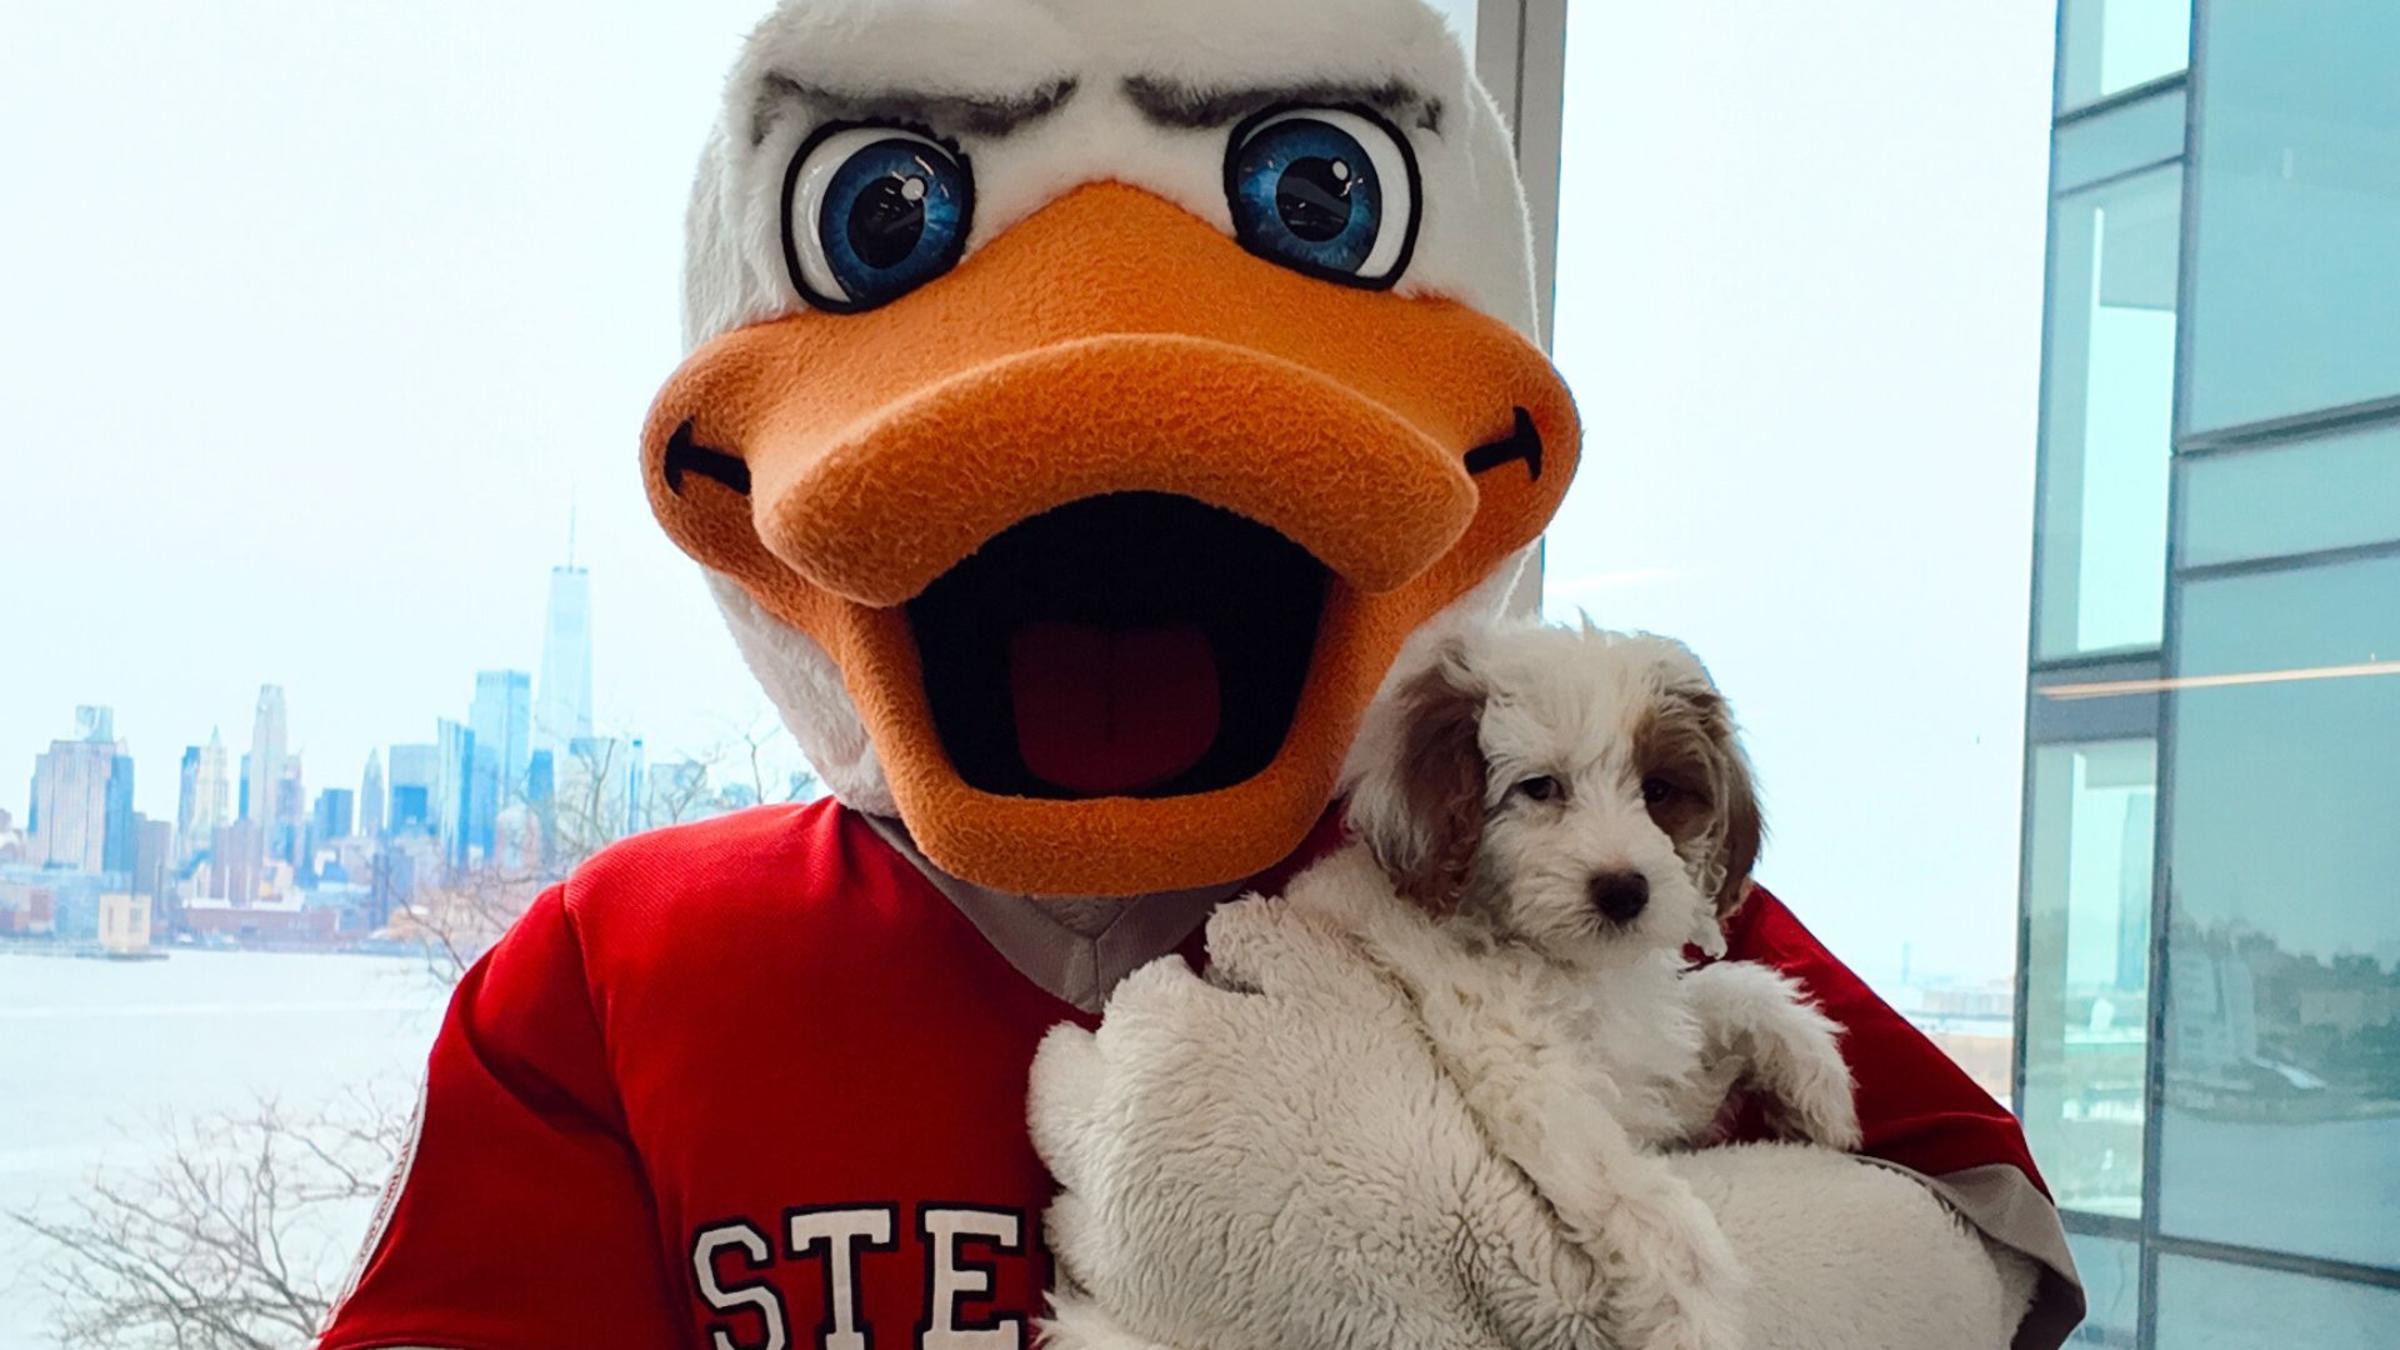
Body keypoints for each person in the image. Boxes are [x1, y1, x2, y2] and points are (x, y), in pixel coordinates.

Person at [317, 2, 2082, 1347]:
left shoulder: (1558, 877)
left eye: (1320, 198)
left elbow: (1986, 1237)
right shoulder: (624, 968)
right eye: (887, 216)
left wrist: (1473, 1277)